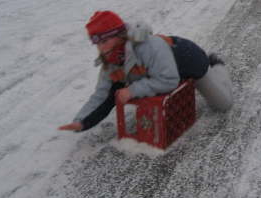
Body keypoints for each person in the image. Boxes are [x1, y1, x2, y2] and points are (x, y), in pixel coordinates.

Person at [58, 11, 233, 133]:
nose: (100, 47)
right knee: (127, 85)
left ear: (118, 35)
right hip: (163, 71)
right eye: (96, 42)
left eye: (104, 40)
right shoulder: (109, 60)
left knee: (223, 105)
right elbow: (101, 95)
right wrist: (81, 121)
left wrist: (132, 90)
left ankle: (216, 65)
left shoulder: (149, 47)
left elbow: (169, 81)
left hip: (190, 61)